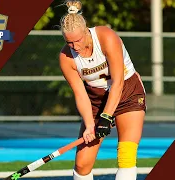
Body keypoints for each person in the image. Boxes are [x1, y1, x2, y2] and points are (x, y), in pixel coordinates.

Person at [58, 1, 146, 179]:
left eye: (78, 40)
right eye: (69, 42)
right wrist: (90, 125)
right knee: (82, 165)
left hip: (127, 91)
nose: (75, 47)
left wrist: (107, 117)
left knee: (126, 154)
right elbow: (80, 94)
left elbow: (118, 82)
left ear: (86, 30)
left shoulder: (106, 37)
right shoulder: (66, 57)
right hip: (95, 99)